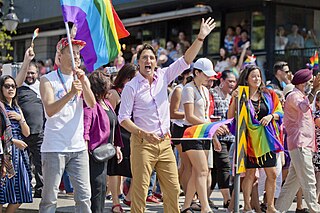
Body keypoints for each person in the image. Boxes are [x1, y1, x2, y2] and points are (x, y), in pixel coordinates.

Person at [118, 17, 216, 213]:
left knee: (172, 189)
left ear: (156, 62)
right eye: (144, 58)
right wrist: (143, 133)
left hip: (165, 144)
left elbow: (186, 60)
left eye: (152, 58)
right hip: (143, 144)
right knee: (140, 190)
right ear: (138, 62)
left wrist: (200, 38)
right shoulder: (131, 87)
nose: (148, 61)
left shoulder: (164, 76)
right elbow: (123, 119)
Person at [39, 37, 96, 212]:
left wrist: (84, 84)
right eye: (72, 53)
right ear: (60, 56)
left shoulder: (81, 77)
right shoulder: (47, 80)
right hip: (54, 147)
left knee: (84, 196)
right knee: (50, 198)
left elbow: (92, 104)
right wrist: (71, 93)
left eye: (79, 54)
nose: (77, 57)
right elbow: (49, 110)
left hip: (78, 147)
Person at [228, 65, 284, 213]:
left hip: (266, 139)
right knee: (250, 175)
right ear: (246, 79)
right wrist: (234, 99)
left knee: (272, 173)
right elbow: (230, 117)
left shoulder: (269, 94)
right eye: (253, 76)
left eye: (259, 76)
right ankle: (246, 206)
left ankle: (270, 206)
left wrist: (271, 116)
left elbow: (280, 111)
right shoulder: (241, 95)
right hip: (248, 141)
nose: (257, 79)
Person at [180, 58, 226, 213]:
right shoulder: (188, 89)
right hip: (192, 133)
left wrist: (213, 136)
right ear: (196, 72)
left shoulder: (206, 90)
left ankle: (186, 206)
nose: (208, 77)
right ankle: (205, 207)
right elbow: (189, 116)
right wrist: (211, 128)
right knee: (202, 171)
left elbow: (205, 116)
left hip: (205, 134)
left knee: (198, 171)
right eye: (205, 74)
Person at [276, 69, 320, 212]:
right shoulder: (293, 96)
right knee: (309, 180)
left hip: (304, 145)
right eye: (310, 82)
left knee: (291, 184)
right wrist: (314, 90)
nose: (312, 83)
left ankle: (278, 209)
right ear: (303, 83)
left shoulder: (301, 95)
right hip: (300, 144)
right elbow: (303, 107)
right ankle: (314, 209)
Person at [84, 70, 123, 213]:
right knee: (97, 191)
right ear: (100, 86)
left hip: (106, 152)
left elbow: (114, 125)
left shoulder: (107, 102)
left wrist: (117, 146)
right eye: (108, 84)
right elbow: (85, 129)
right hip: (94, 155)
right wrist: (86, 151)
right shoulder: (90, 103)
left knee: (101, 190)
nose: (111, 87)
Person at [0, 75, 32, 212]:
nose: (11, 89)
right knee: (1, 192)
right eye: (7, 86)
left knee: (22, 192)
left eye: (13, 86)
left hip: (19, 155)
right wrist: (13, 141)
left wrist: (20, 119)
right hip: (4, 154)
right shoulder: (0, 107)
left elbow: (27, 133)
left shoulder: (17, 108)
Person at [15, 47, 45, 198]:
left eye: (33, 73)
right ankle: (24, 189)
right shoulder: (18, 87)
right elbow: (16, 83)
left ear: (37, 73)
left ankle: (40, 189)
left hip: (40, 132)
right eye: (28, 72)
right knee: (23, 164)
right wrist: (26, 61)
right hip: (22, 132)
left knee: (40, 164)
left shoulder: (42, 86)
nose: (30, 75)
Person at [107, 64, 137, 211]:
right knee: (115, 170)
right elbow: (110, 118)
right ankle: (115, 202)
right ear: (126, 77)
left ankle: (129, 198)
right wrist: (112, 141)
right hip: (117, 135)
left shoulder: (136, 92)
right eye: (133, 78)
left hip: (132, 134)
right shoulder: (114, 93)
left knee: (135, 170)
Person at [210, 70, 236, 209]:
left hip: (230, 138)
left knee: (215, 170)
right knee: (224, 165)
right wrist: (214, 137)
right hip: (215, 137)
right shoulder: (212, 94)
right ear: (221, 81)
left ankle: (204, 198)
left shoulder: (232, 97)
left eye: (234, 81)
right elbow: (208, 116)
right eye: (229, 81)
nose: (232, 84)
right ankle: (227, 199)